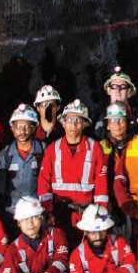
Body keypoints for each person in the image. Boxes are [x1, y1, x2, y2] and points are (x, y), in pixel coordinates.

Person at [38, 100, 112, 234]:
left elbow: (101, 185)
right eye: (70, 119)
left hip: (87, 213)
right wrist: (47, 212)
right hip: (58, 214)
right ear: (63, 122)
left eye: (78, 120)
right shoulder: (52, 149)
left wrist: (101, 214)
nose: (73, 124)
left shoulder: (95, 148)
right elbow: (44, 183)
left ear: (84, 124)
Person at [0, 104, 47, 213]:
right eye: (18, 127)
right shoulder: (5, 155)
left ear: (34, 127)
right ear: (12, 128)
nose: (22, 131)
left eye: (27, 127)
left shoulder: (45, 151)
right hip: (12, 211)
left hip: (37, 210)